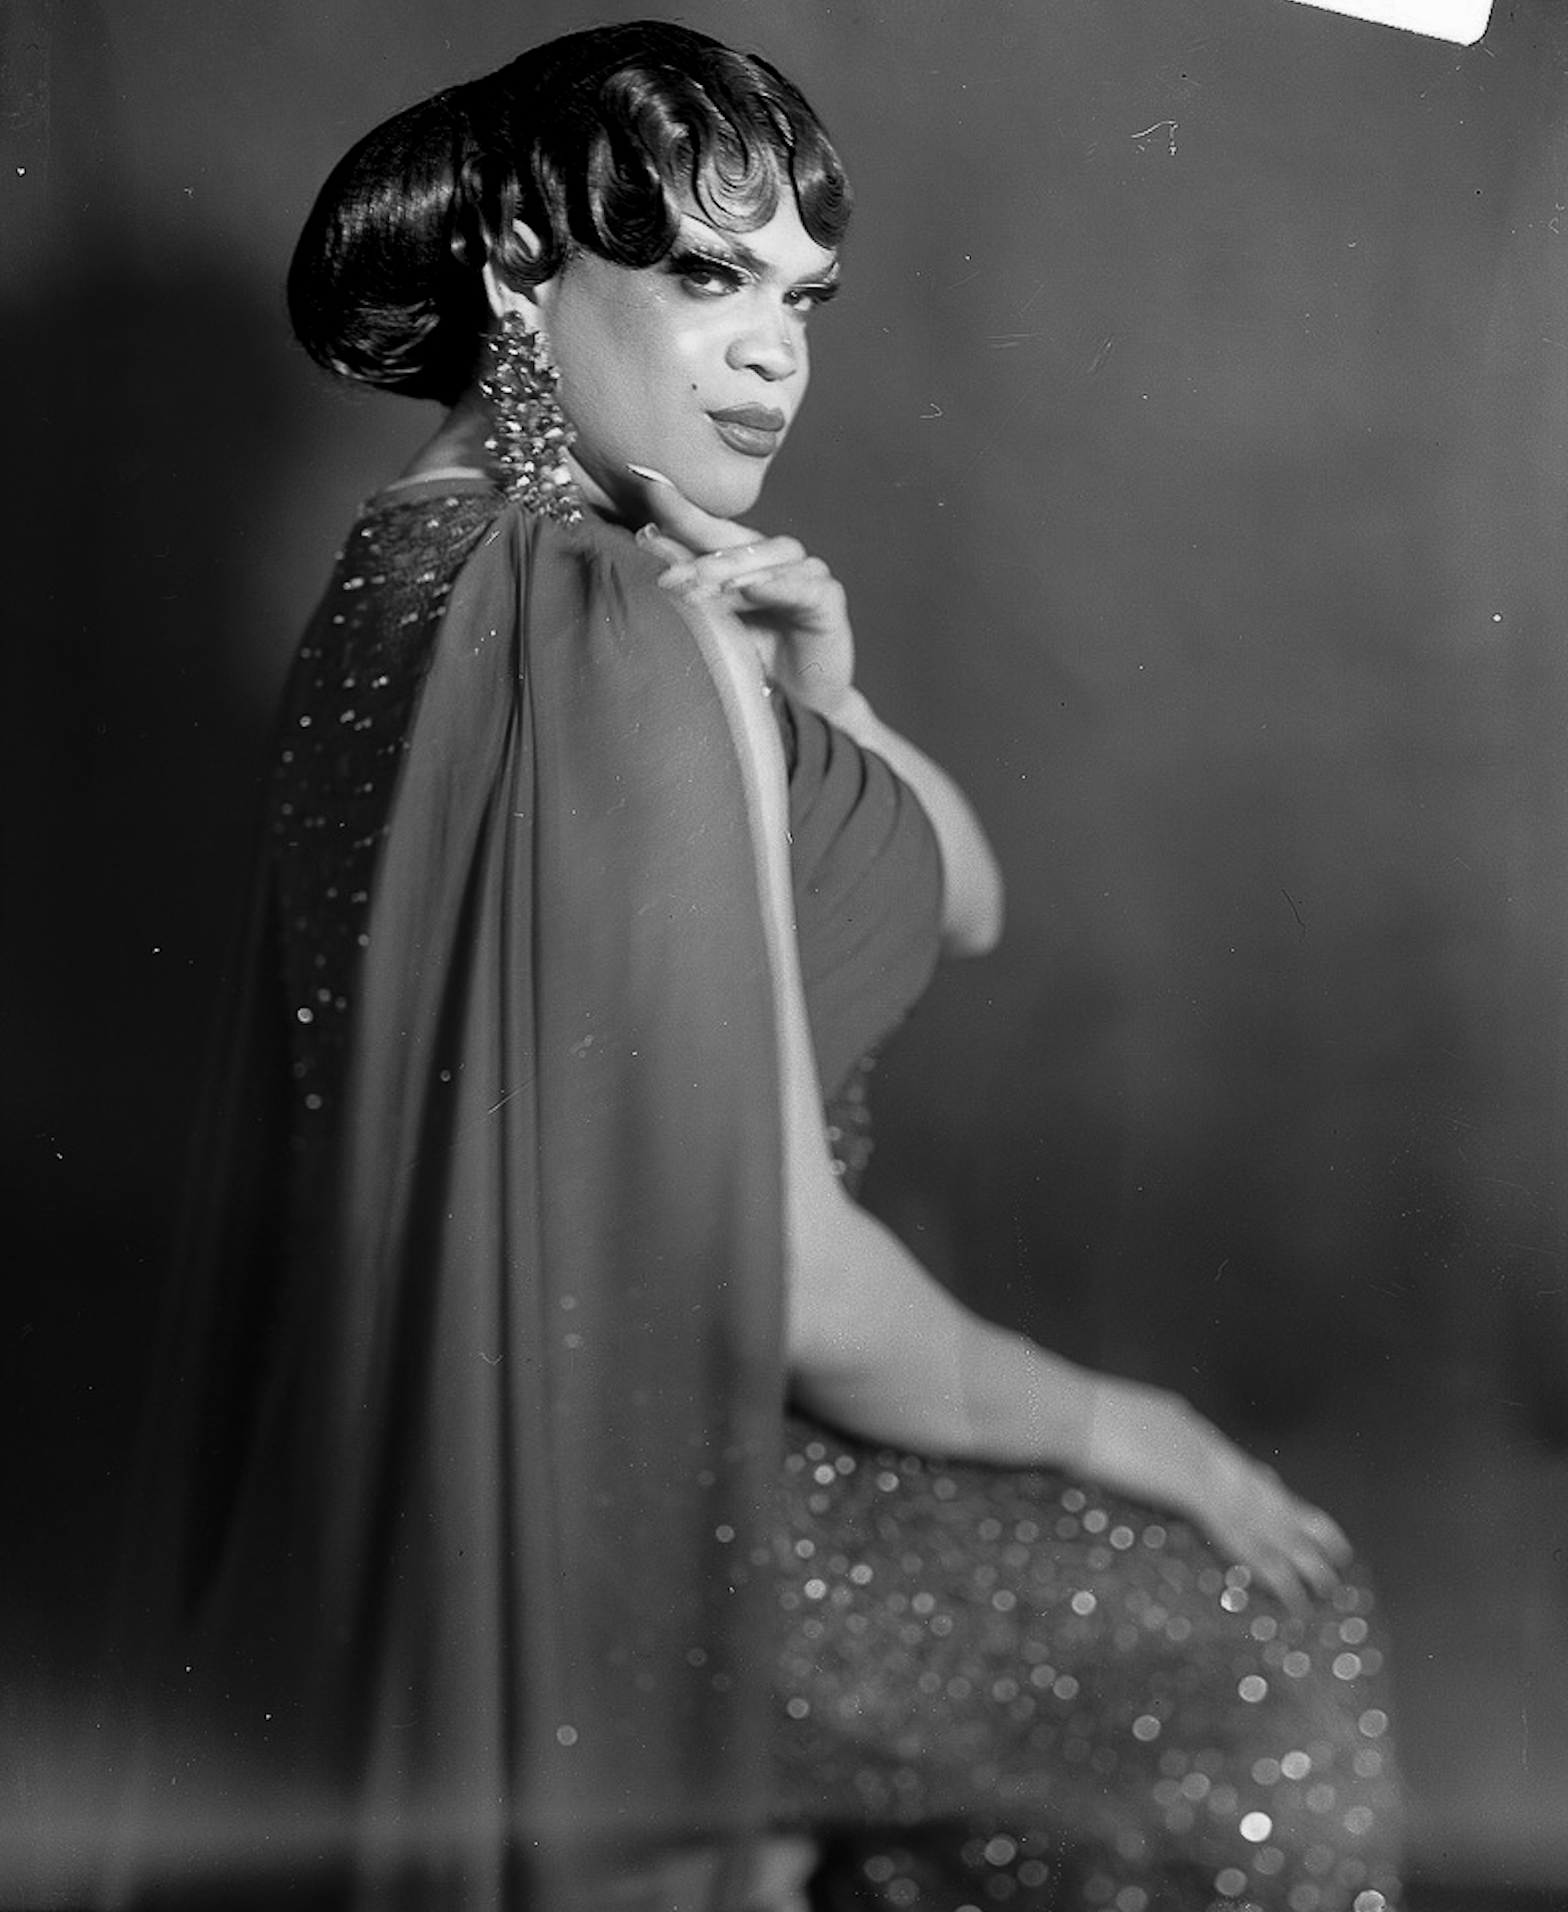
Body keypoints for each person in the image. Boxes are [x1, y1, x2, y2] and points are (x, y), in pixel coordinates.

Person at [112, 21, 1403, 1912]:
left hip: (492, 1518)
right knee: (1270, 1647)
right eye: (709, 276)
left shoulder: (397, 579)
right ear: (515, 269)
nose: (776, 348)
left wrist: (833, 696)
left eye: (802, 292)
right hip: (672, 1524)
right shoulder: (614, 622)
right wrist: (1137, 1430)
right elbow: (789, 1291)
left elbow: (958, 899)